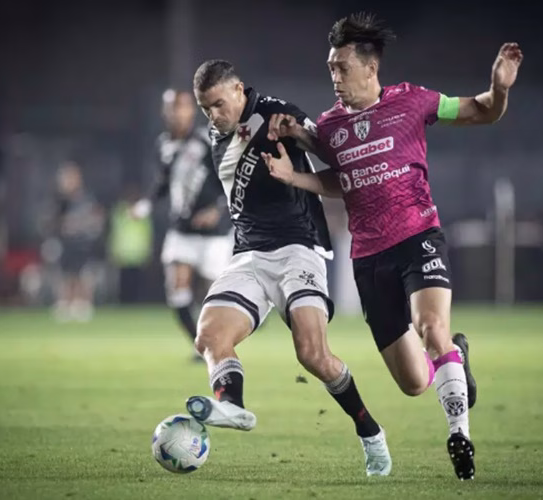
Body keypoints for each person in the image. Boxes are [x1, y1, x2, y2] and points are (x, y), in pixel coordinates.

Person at [262, 12, 523, 480]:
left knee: (431, 328)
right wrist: (293, 175)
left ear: (370, 67)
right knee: (414, 382)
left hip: (418, 238)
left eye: (342, 67)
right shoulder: (330, 127)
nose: (334, 76)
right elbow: (344, 180)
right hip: (369, 259)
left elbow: (482, 110)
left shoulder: (413, 102)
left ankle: (460, 436)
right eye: (330, 68)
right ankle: (455, 357)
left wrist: (499, 89)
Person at [183, 59, 392, 476]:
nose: (213, 115)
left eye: (219, 104)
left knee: (312, 354)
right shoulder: (216, 133)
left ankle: (370, 432)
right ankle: (232, 406)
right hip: (249, 254)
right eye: (206, 108)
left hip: (299, 247)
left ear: (240, 89)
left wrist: (299, 135)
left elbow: (338, 160)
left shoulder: (278, 114)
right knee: (208, 336)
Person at [131, 90, 233, 359]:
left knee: (212, 295)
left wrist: (217, 209)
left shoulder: (207, 141)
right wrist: (146, 204)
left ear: (192, 111)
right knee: (177, 288)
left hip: (214, 233)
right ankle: (201, 346)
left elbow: (231, 177)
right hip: (182, 228)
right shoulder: (163, 144)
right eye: (171, 108)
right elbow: (164, 180)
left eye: (182, 107)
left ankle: (222, 336)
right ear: (164, 112)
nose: (176, 113)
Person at [52, 162, 104, 321]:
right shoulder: (60, 200)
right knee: (65, 274)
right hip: (65, 242)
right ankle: (64, 303)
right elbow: (53, 221)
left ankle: (82, 303)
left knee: (84, 274)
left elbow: (97, 218)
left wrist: (86, 227)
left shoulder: (87, 198)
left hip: (83, 243)